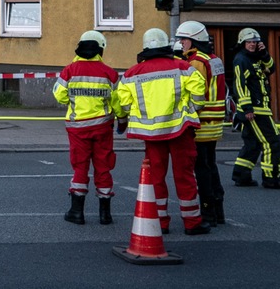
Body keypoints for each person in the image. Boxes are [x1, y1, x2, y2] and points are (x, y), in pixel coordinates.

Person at [115, 27, 212, 235]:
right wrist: (192, 109)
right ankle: (192, 222)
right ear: (166, 47)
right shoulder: (183, 68)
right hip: (180, 131)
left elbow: (122, 102)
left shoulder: (131, 74)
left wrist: (134, 115)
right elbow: (199, 93)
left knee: (155, 178)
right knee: (184, 176)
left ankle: (160, 222)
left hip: (151, 134)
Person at [52, 30, 123, 225]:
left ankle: (77, 212)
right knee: (103, 166)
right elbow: (119, 101)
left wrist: (74, 102)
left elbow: (59, 95)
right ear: (100, 49)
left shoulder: (69, 70)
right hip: (102, 127)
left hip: (78, 128)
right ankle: (105, 214)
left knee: (80, 167)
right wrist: (122, 119)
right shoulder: (110, 73)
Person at [175, 20, 228, 225]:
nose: (181, 44)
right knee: (210, 166)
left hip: (202, 121)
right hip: (214, 122)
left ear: (194, 40)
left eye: (184, 40)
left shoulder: (196, 62)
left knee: (202, 169)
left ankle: (207, 213)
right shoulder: (214, 59)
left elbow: (195, 93)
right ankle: (218, 210)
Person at [230, 28, 280, 188]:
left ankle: (241, 176)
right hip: (255, 111)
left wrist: (265, 54)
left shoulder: (256, 58)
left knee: (253, 144)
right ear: (243, 43)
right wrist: (248, 108)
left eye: (254, 42)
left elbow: (271, 68)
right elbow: (240, 85)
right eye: (249, 42)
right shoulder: (241, 59)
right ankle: (272, 178)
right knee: (272, 142)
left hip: (258, 109)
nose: (252, 45)